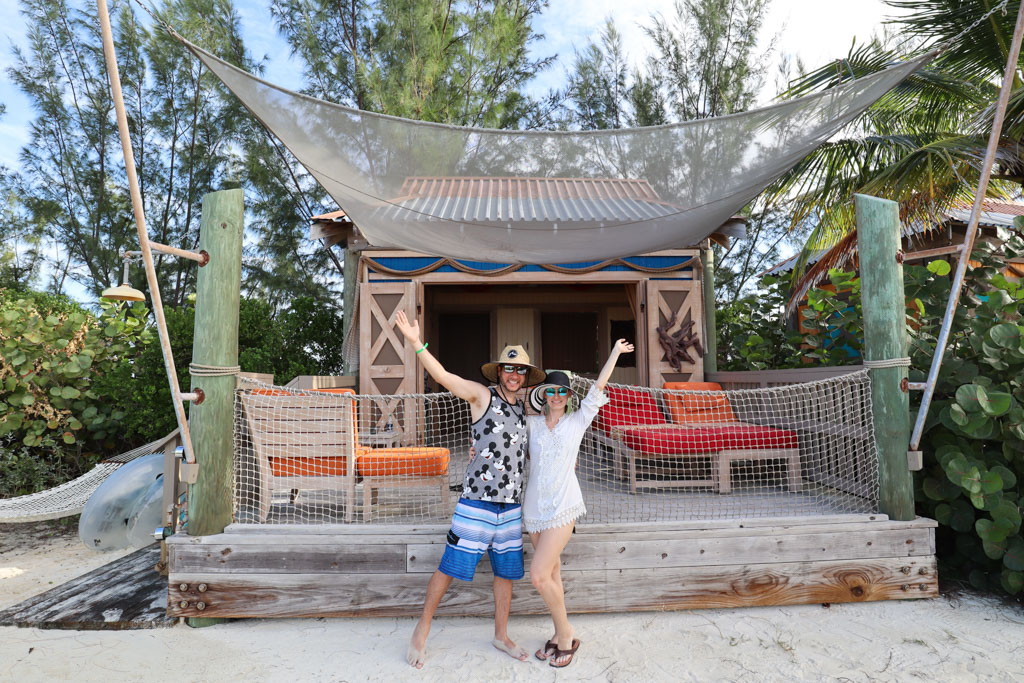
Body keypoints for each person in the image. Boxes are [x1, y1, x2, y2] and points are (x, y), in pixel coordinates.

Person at [395, 309, 546, 669]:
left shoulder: (526, 408)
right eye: (509, 368)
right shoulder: (482, 396)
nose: (514, 374)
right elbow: (444, 376)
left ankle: (501, 635)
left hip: (511, 506)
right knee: (449, 566)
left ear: (525, 376)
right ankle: (422, 628)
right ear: (499, 372)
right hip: (477, 501)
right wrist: (417, 343)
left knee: (505, 573)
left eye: (520, 370)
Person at [524, 339, 634, 668]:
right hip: (533, 509)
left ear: (568, 397)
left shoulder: (577, 421)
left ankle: (566, 632)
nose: (556, 396)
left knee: (539, 576)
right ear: (543, 396)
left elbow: (599, 385)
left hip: (563, 506)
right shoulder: (530, 425)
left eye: (561, 392)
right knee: (552, 574)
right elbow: (501, 428)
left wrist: (613, 352)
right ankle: (561, 637)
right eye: (550, 392)